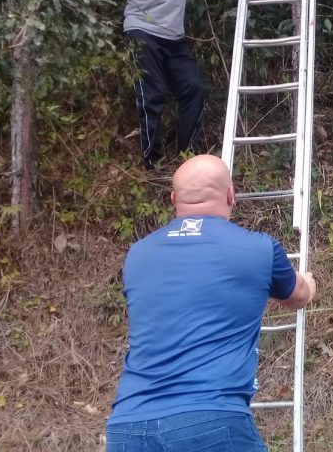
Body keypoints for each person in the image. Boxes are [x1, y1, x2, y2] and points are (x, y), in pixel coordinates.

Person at [106, 154, 316, 451]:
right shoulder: (258, 248)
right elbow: (298, 296)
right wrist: (308, 280)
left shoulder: (137, 255)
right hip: (209, 419)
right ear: (231, 195)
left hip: (127, 427)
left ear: (173, 198)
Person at [106, 0, 285, 169]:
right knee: (152, 96)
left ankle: (185, 155)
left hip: (174, 37)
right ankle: (152, 162)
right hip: (141, 31)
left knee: (195, 90)